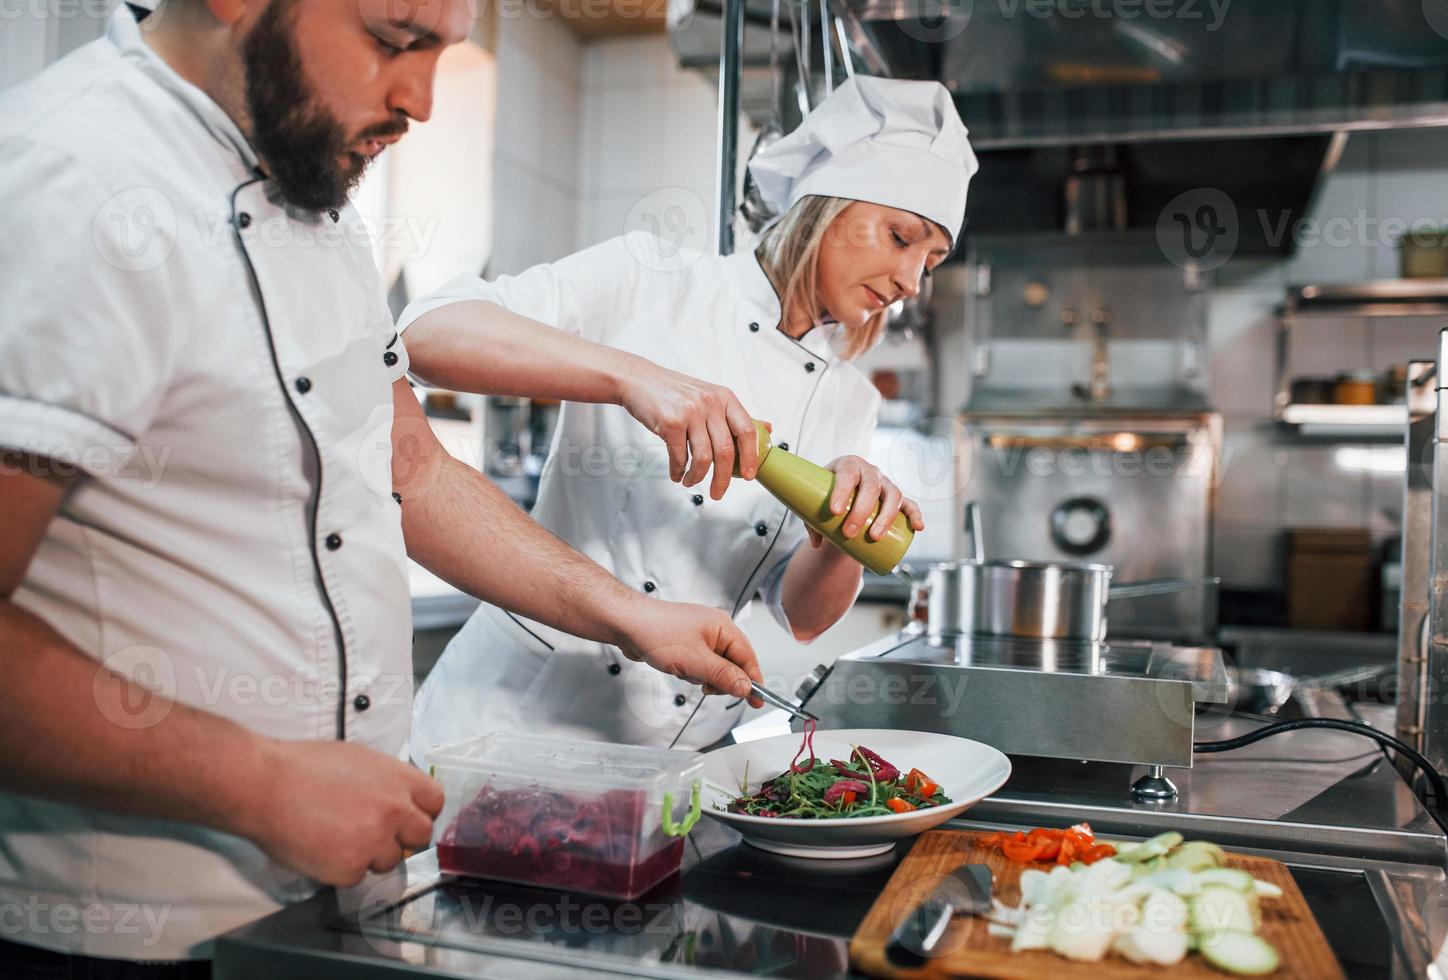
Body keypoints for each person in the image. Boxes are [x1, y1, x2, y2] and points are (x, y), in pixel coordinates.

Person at [0, 1, 763, 974]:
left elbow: (407, 468)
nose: (423, 99)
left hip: (331, 908)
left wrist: (627, 613)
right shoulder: (69, 176)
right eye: (394, 41)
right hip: (123, 932)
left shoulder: (316, 199)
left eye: (443, 52)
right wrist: (262, 783)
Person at [404, 76, 978, 758]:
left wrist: (841, 531)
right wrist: (631, 377)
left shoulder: (854, 399)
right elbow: (423, 333)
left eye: (931, 260)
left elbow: (802, 618)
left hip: (677, 754)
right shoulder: (653, 277)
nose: (912, 281)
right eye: (900, 237)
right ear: (828, 208)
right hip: (517, 722)